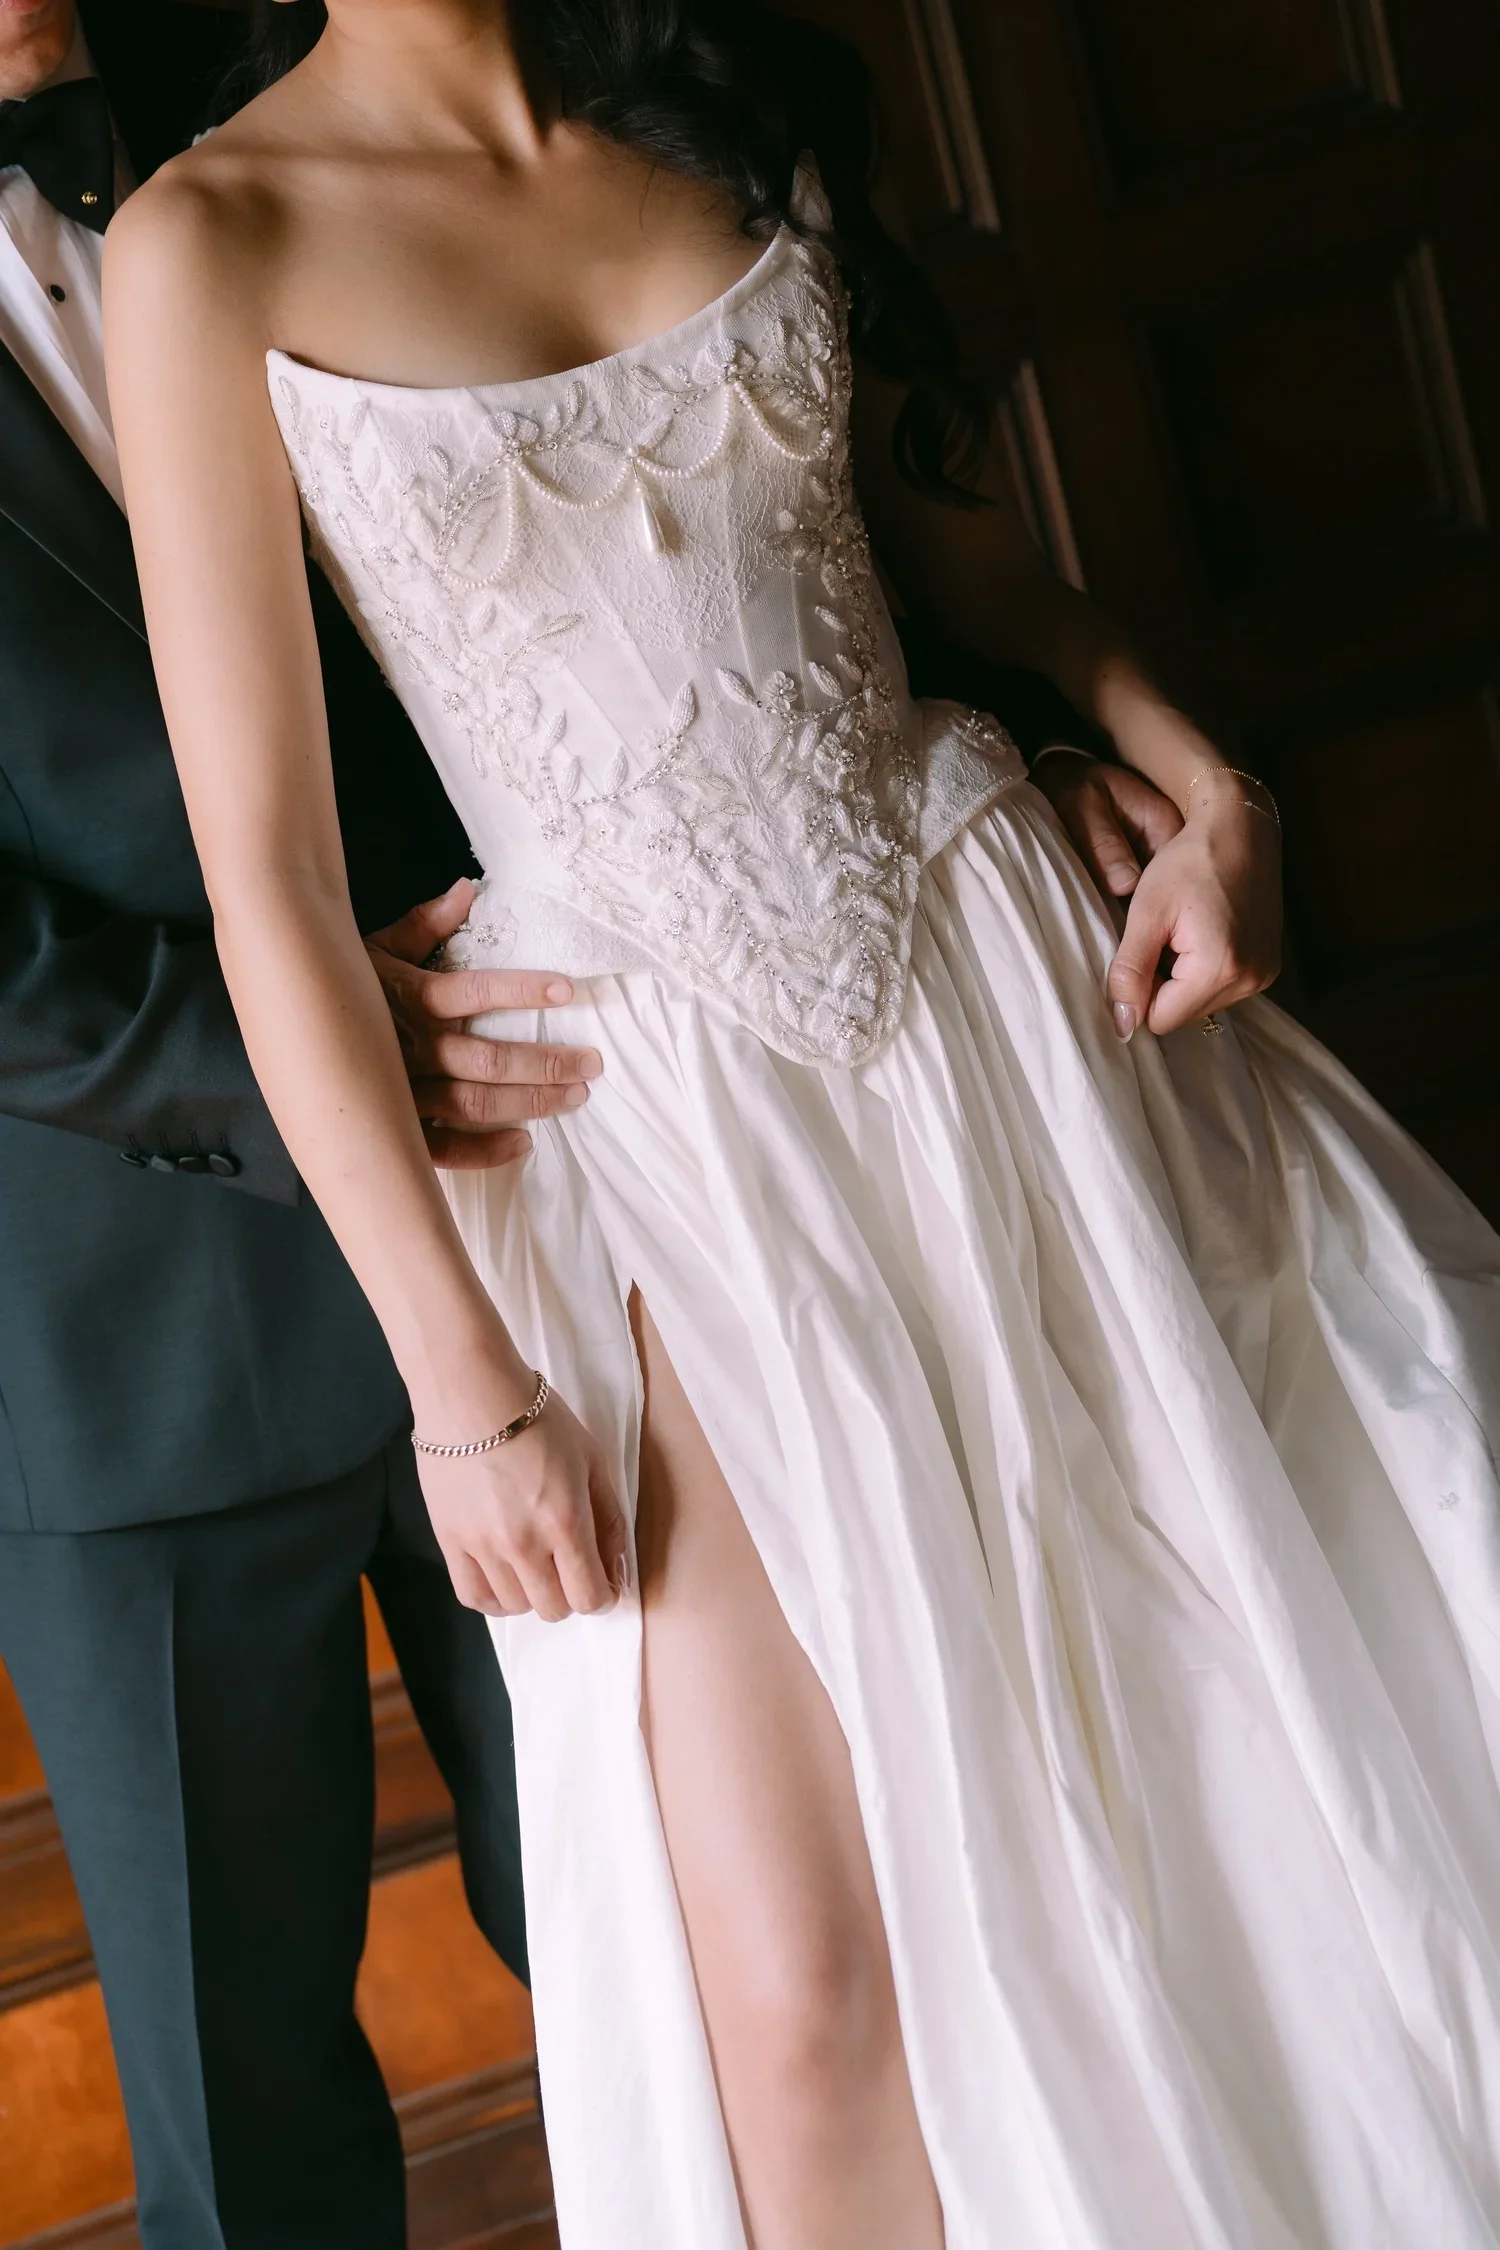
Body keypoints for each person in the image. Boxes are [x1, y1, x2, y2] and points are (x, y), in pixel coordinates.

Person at [104, 2, 1500, 2245]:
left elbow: (970, 574)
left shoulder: (727, 87)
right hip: (654, 1141)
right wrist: (459, 1387)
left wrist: (1212, 781)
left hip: (1016, 1026)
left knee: (1211, 1770)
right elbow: (267, 883)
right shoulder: (207, 237)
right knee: (798, 1974)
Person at [0, 3, 610, 2242]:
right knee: (258, 2142)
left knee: (683, 1946)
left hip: (553, 1226)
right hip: (132, 1356)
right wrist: (316, 1053)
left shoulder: (281, 130)